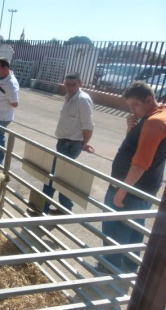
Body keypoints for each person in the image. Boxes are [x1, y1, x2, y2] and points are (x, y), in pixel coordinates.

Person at [99, 81, 166, 273]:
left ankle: (109, 268)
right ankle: (130, 263)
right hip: (145, 187)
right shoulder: (159, 114)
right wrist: (132, 129)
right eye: (130, 107)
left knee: (115, 227)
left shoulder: (154, 122)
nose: (133, 110)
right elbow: (139, 148)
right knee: (136, 226)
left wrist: (121, 191)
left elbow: (140, 163)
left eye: (135, 105)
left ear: (148, 99)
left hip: (131, 187)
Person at [41, 72, 95, 214]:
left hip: (71, 145)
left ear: (80, 84)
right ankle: (64, 208)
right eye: (67, 84)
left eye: (73, 84)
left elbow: (88, 126)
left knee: (53, 176)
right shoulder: (69, 97)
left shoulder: (82, 100)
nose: (70, 87)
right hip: (64, 142)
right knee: (62, 177)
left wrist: (83, 144)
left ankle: (43, 207)